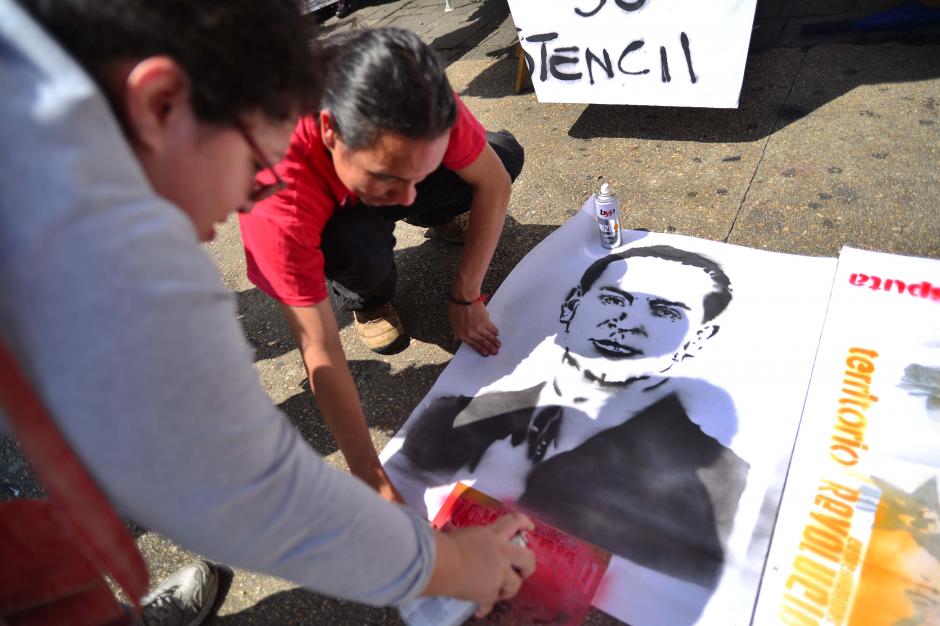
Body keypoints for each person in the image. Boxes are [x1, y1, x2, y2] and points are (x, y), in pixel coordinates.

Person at [0, 1, 533, 624]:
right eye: (255, 170)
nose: (242, 203)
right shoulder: (115, 248)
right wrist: (457, 566)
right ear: (161, 103)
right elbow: (250, 494)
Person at [238, 27, 523, 501]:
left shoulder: (415, 94)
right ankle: (367, 295)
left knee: (503, 155)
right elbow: (321, 353)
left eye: (420, 173)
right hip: (333, 219)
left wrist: (465, 292)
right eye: (387, 176)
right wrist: (372, 479)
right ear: (330, 131)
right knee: (355, 249)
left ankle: (431, 199)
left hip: (365, 173)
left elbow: (492, 182)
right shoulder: (276, 200)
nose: (408, 199)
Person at [389, 245, 750, 590]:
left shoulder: (718, 479)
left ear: (699, 338)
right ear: (572, 306)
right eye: (613, 299)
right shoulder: (451, 418)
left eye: (665, 311)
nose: (627, 321)